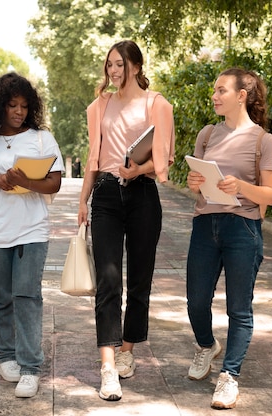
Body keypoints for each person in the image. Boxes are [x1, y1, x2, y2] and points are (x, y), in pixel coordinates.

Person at [77, 40, 175, 401]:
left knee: (139, 279)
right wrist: (83, 199)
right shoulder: (99, 105)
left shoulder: (157, 104)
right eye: (109, 66)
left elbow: (165, 158)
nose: (113, 72)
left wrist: (138, 170)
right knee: (108, 279)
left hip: (143, 195)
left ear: (135, 66)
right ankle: (107, 368)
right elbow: (93, 156)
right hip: (104, 193)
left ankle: (127, 352)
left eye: (119, 65)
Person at [185, 68, 272, 409]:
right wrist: (194, 182)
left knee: (239, 308)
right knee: (196, 302)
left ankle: (229, 376)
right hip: (205, 225)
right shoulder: (207, 134)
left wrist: (240, 187)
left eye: (221, 90)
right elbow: (193, 183)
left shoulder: (262, 141)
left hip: (243, 229)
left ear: (241, 95)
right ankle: (207, 346)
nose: (214, 95)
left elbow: (270, 194)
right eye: (214, 89)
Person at [0, 72, 64, 398]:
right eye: (12, 105)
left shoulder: (41, 139)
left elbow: (54, 183)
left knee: (27, 297)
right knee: (1, 298)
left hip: (32, 230)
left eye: (24, 106)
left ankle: (30, 366)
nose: (19, 112)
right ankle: (5, 356)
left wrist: (25, 181)